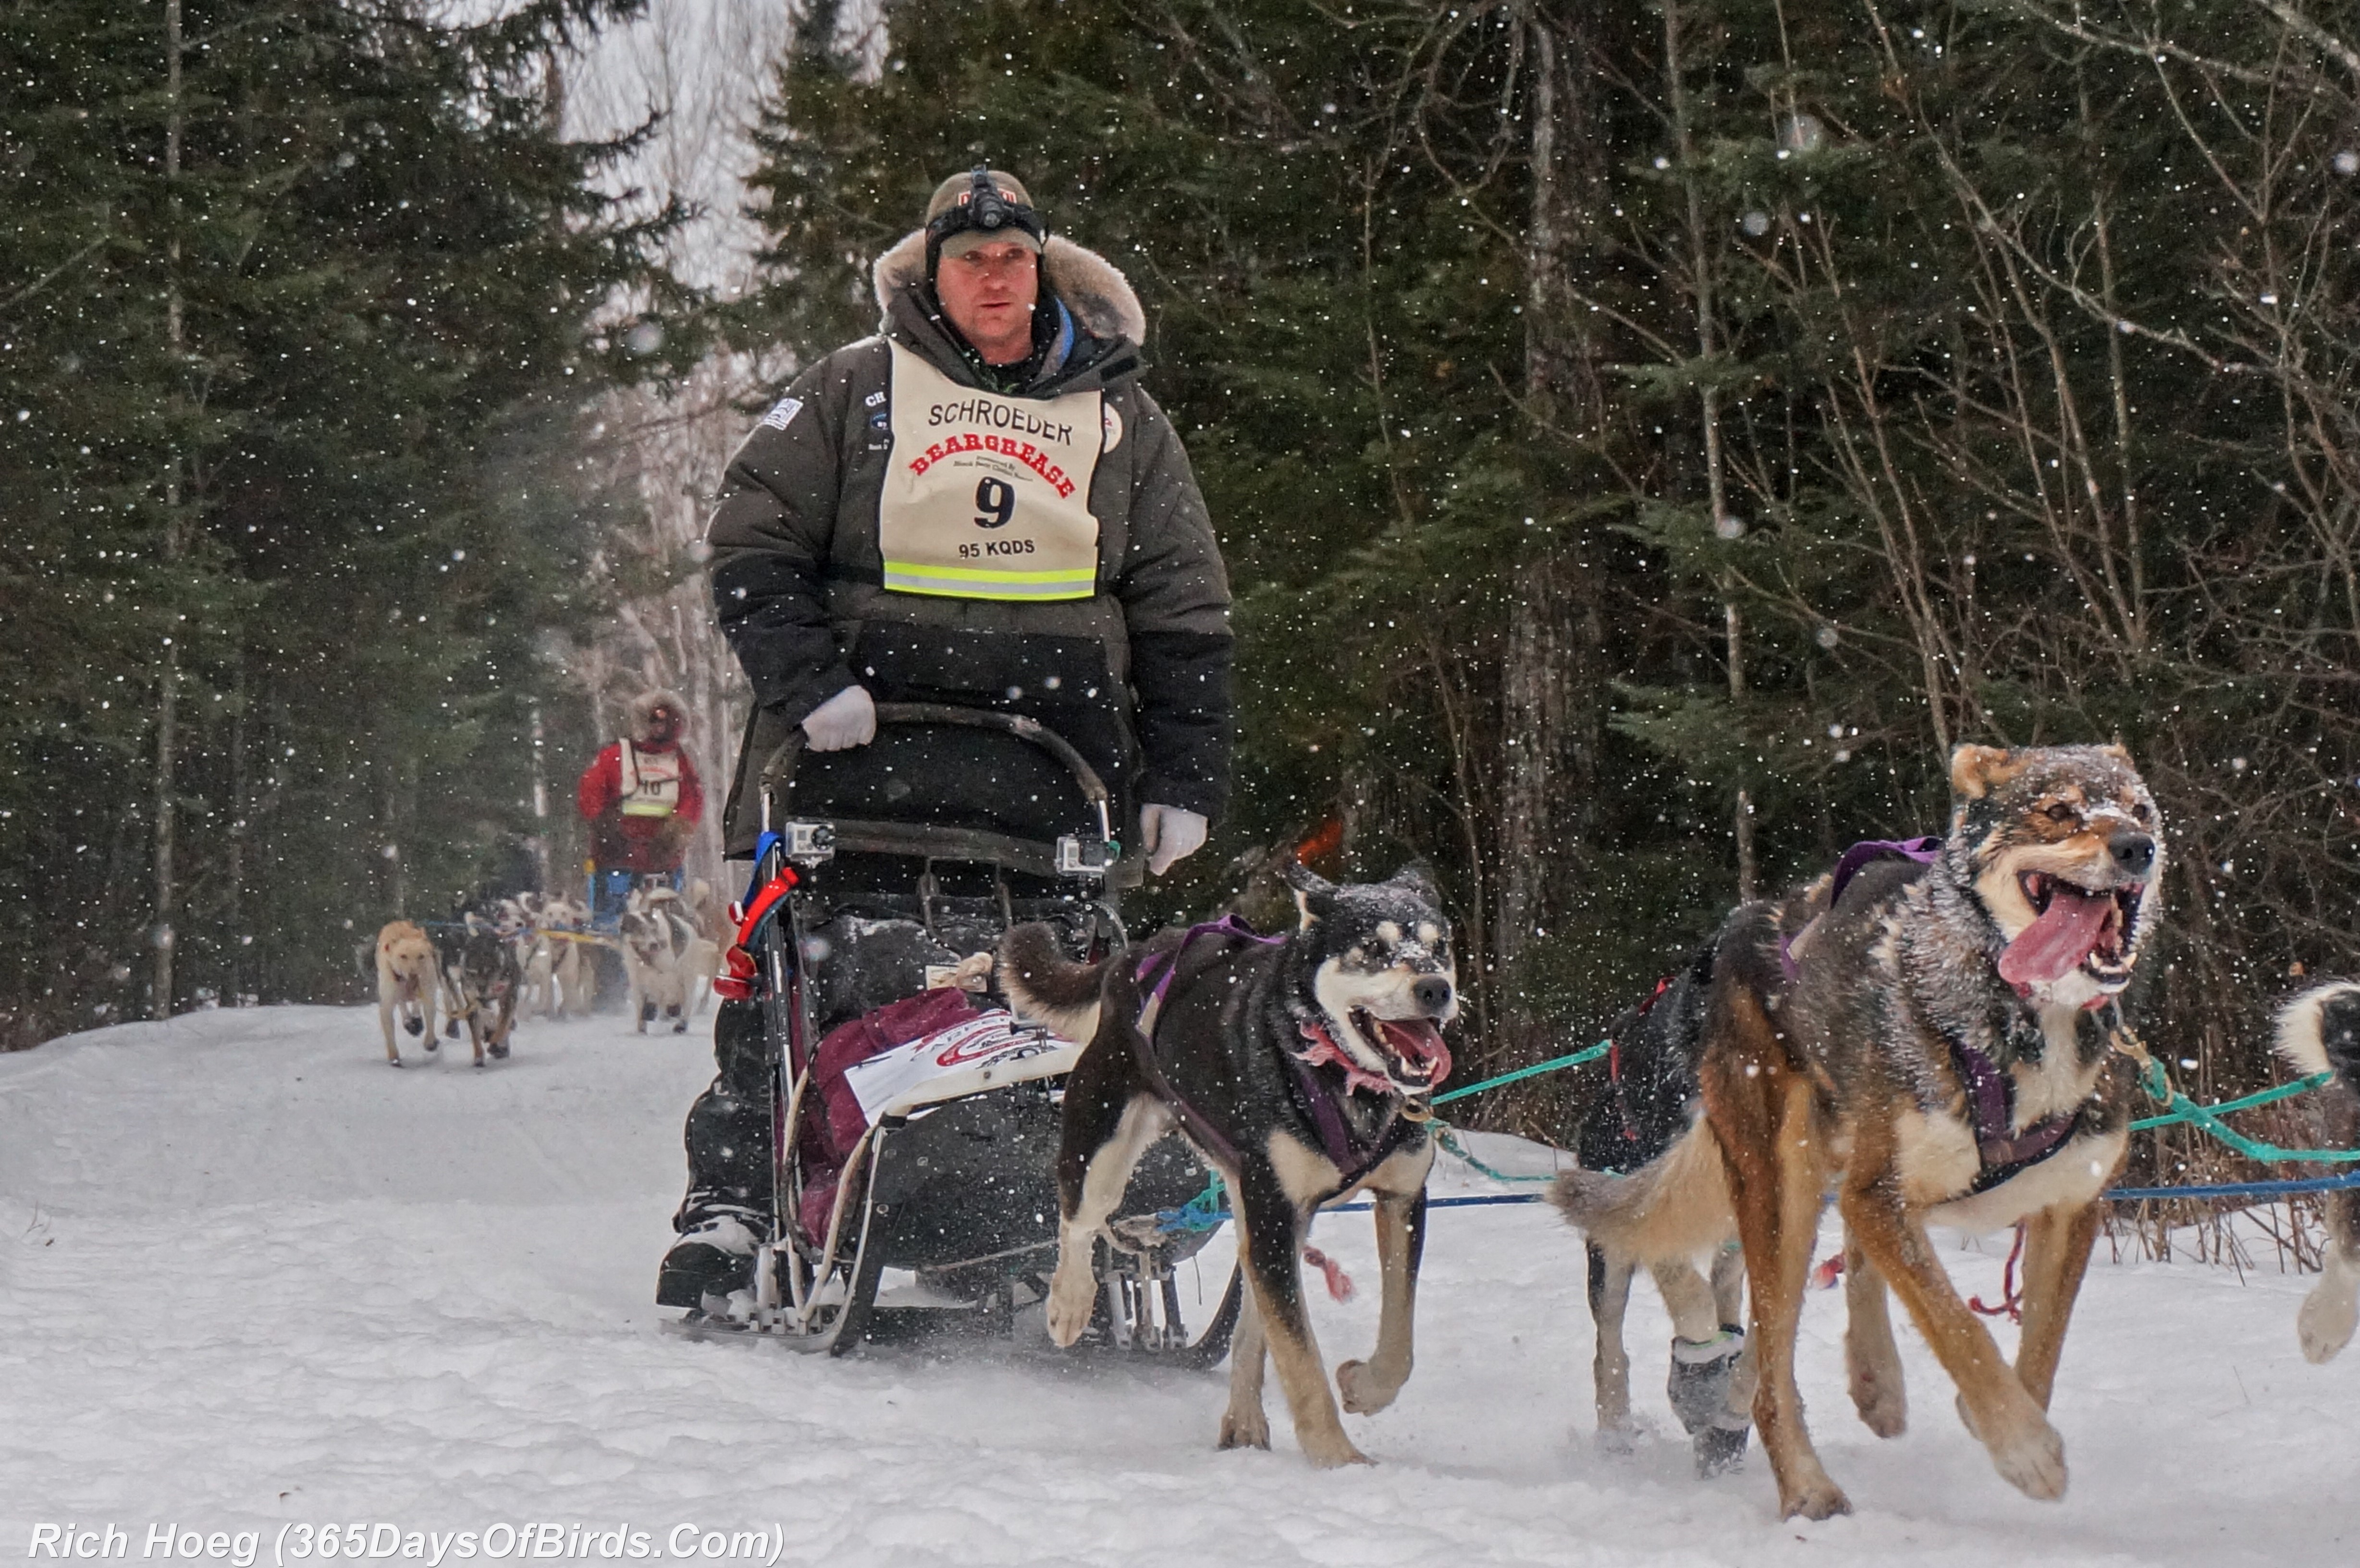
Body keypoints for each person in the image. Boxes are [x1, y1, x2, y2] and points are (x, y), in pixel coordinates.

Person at [656, 166, 1234, 1312]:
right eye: (967, 261)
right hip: (852, 754)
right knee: (792, 969)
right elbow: (751, 548)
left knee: (1066, 987)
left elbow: (1182, 606)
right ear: (929, 274)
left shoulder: (1120, 419)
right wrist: (808, 683)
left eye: (1011, 257)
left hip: (1052, 771)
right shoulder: (852, 390)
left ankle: (1039, 1187)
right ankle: (734, 1198)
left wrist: (1185, 776)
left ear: (1041, 268)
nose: (991, 278)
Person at [577, 690, 705, 931]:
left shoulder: (680, 761)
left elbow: (692, 800)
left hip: (662, 858)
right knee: (611, 925)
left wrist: (675, 833)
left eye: (666, 721)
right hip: (616, 855)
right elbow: (591, 792)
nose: (659, 727)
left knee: (666, 924)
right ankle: (613, 962)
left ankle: (665, 965)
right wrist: (604, 827)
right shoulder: (614, 756)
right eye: (654, 720)